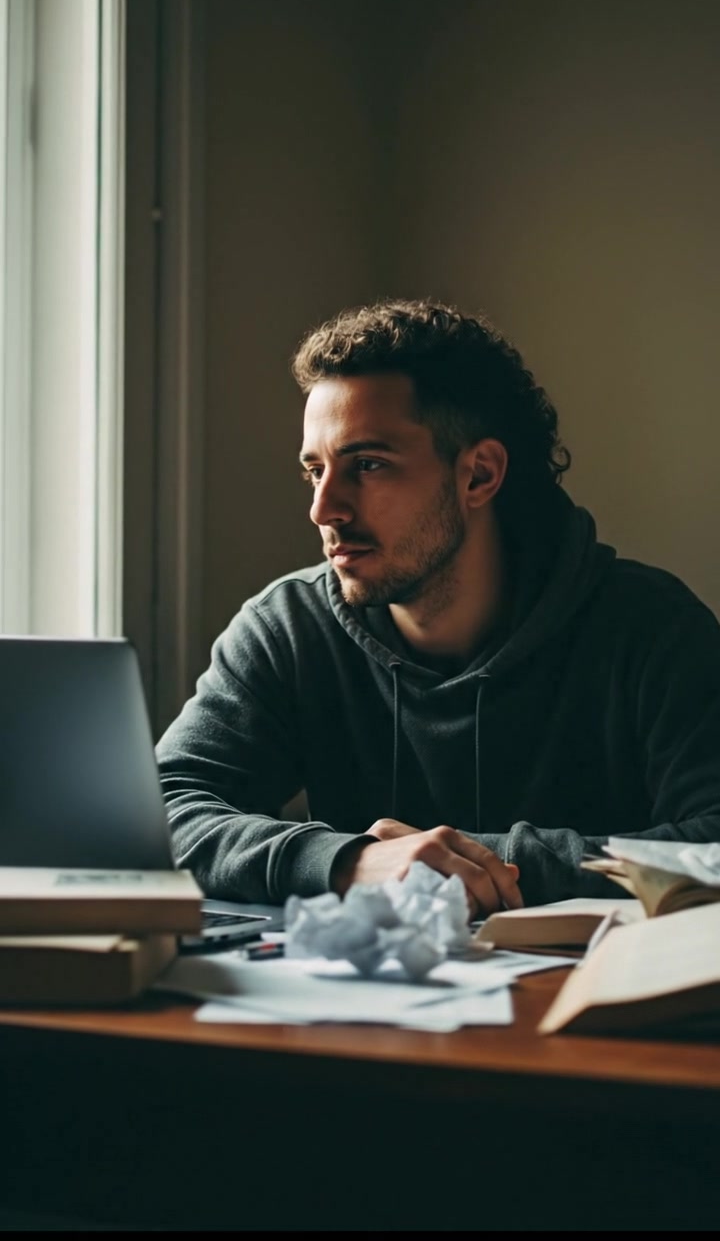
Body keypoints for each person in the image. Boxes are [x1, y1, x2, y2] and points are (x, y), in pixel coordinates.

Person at [155, 297, 720, 919]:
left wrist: (467, 865)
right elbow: (160, 811)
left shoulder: (650, 629)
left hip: (593, 1003)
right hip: (361, 1001)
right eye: (314, 471)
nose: (325, 510)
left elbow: (714, 841)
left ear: (479, 475)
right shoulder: (290, 627)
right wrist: (348, 862)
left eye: (367, 465)